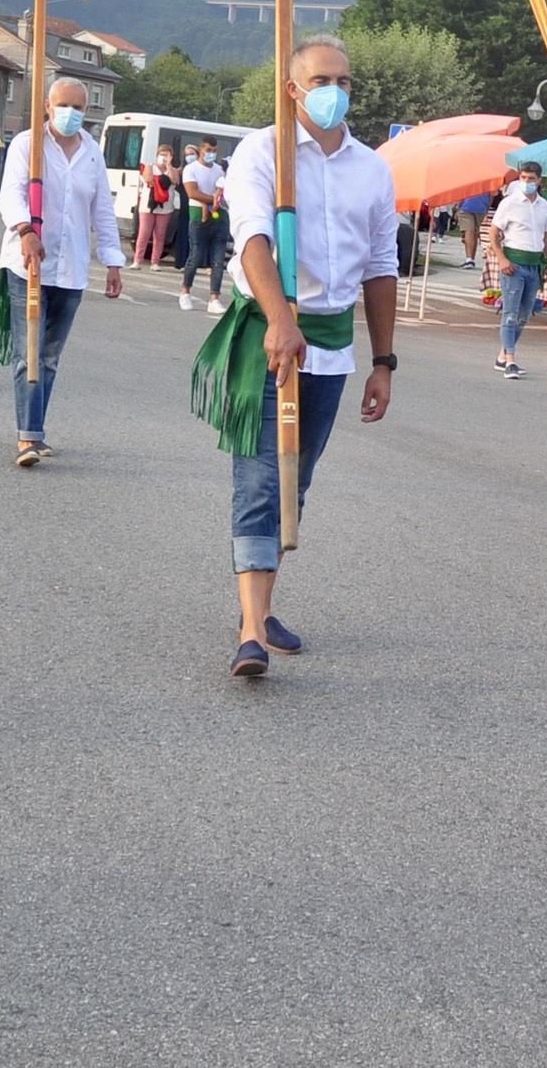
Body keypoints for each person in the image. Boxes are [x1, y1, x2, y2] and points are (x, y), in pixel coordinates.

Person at [190, 34, 397, 679]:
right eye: (322, 80)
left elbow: (383, 265)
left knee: (294, 482)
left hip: (333, 345)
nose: (336, 91)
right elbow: (251, 237)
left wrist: (384, 362)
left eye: (345, 80)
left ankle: (261, 603)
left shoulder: (372, 167)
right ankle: (251, 629)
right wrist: (281, 318)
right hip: (270, 335)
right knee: (259, 475)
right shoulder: (263, 152)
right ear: (293, 88)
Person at [0, 76, 126, 466]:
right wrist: (25, 230)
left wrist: (113, 259)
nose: (71, 114)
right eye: (64, 105)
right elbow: (11, 194)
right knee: (29, 351)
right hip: (29, 263)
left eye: (79, 107)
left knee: (49, 356)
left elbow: (101, 207)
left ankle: (37, 426)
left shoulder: (91, 152)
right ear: (48, 107)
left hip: (71, 266)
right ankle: (27, 436)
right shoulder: (28, 145)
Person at [490, 163, 547, 379]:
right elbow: (494, 233)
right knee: (510, 313)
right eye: (523, 178)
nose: (527, 182)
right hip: (513, 263)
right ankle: (510, 360)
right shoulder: (509, 203)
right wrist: (501, 258)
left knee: (524, 315)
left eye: (531, 178)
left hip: (533, 264)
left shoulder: (544, 205)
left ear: (540, 180)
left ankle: (502, 354)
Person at [179, 136, 229, 313]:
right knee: (196, 255)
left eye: (214, 151)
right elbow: (192, 192)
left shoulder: (219, 170)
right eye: (208, 150)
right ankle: (185, 291)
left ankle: (214, 298)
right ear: (201, 149)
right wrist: (212, 200)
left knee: (218, 259)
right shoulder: (190, 169)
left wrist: (217, 200)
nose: (211, 154)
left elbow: (222, 189)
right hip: (198, 215)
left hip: (219, 215)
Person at [134, 144, 176, 270]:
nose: (163, 157)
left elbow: (175, 181)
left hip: (166, 207)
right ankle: (137, 260)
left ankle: (155, 261)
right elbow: (149, 180)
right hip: (149, 205)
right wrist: (161, 178)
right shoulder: (150, 167)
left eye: (167, 155)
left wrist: (168, 167)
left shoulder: (172, 170)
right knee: (144, 233)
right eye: (162, 154)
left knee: (160, 234)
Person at [458, 185, 492, 269]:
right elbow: (492, 195)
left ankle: (469, 259)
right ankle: (470, 259)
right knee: (473, 233)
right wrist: (487, 207)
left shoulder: (468, 178)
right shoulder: (488, 178)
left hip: (467, 206)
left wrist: (458, 205)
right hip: (481, 207)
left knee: (469, 231)